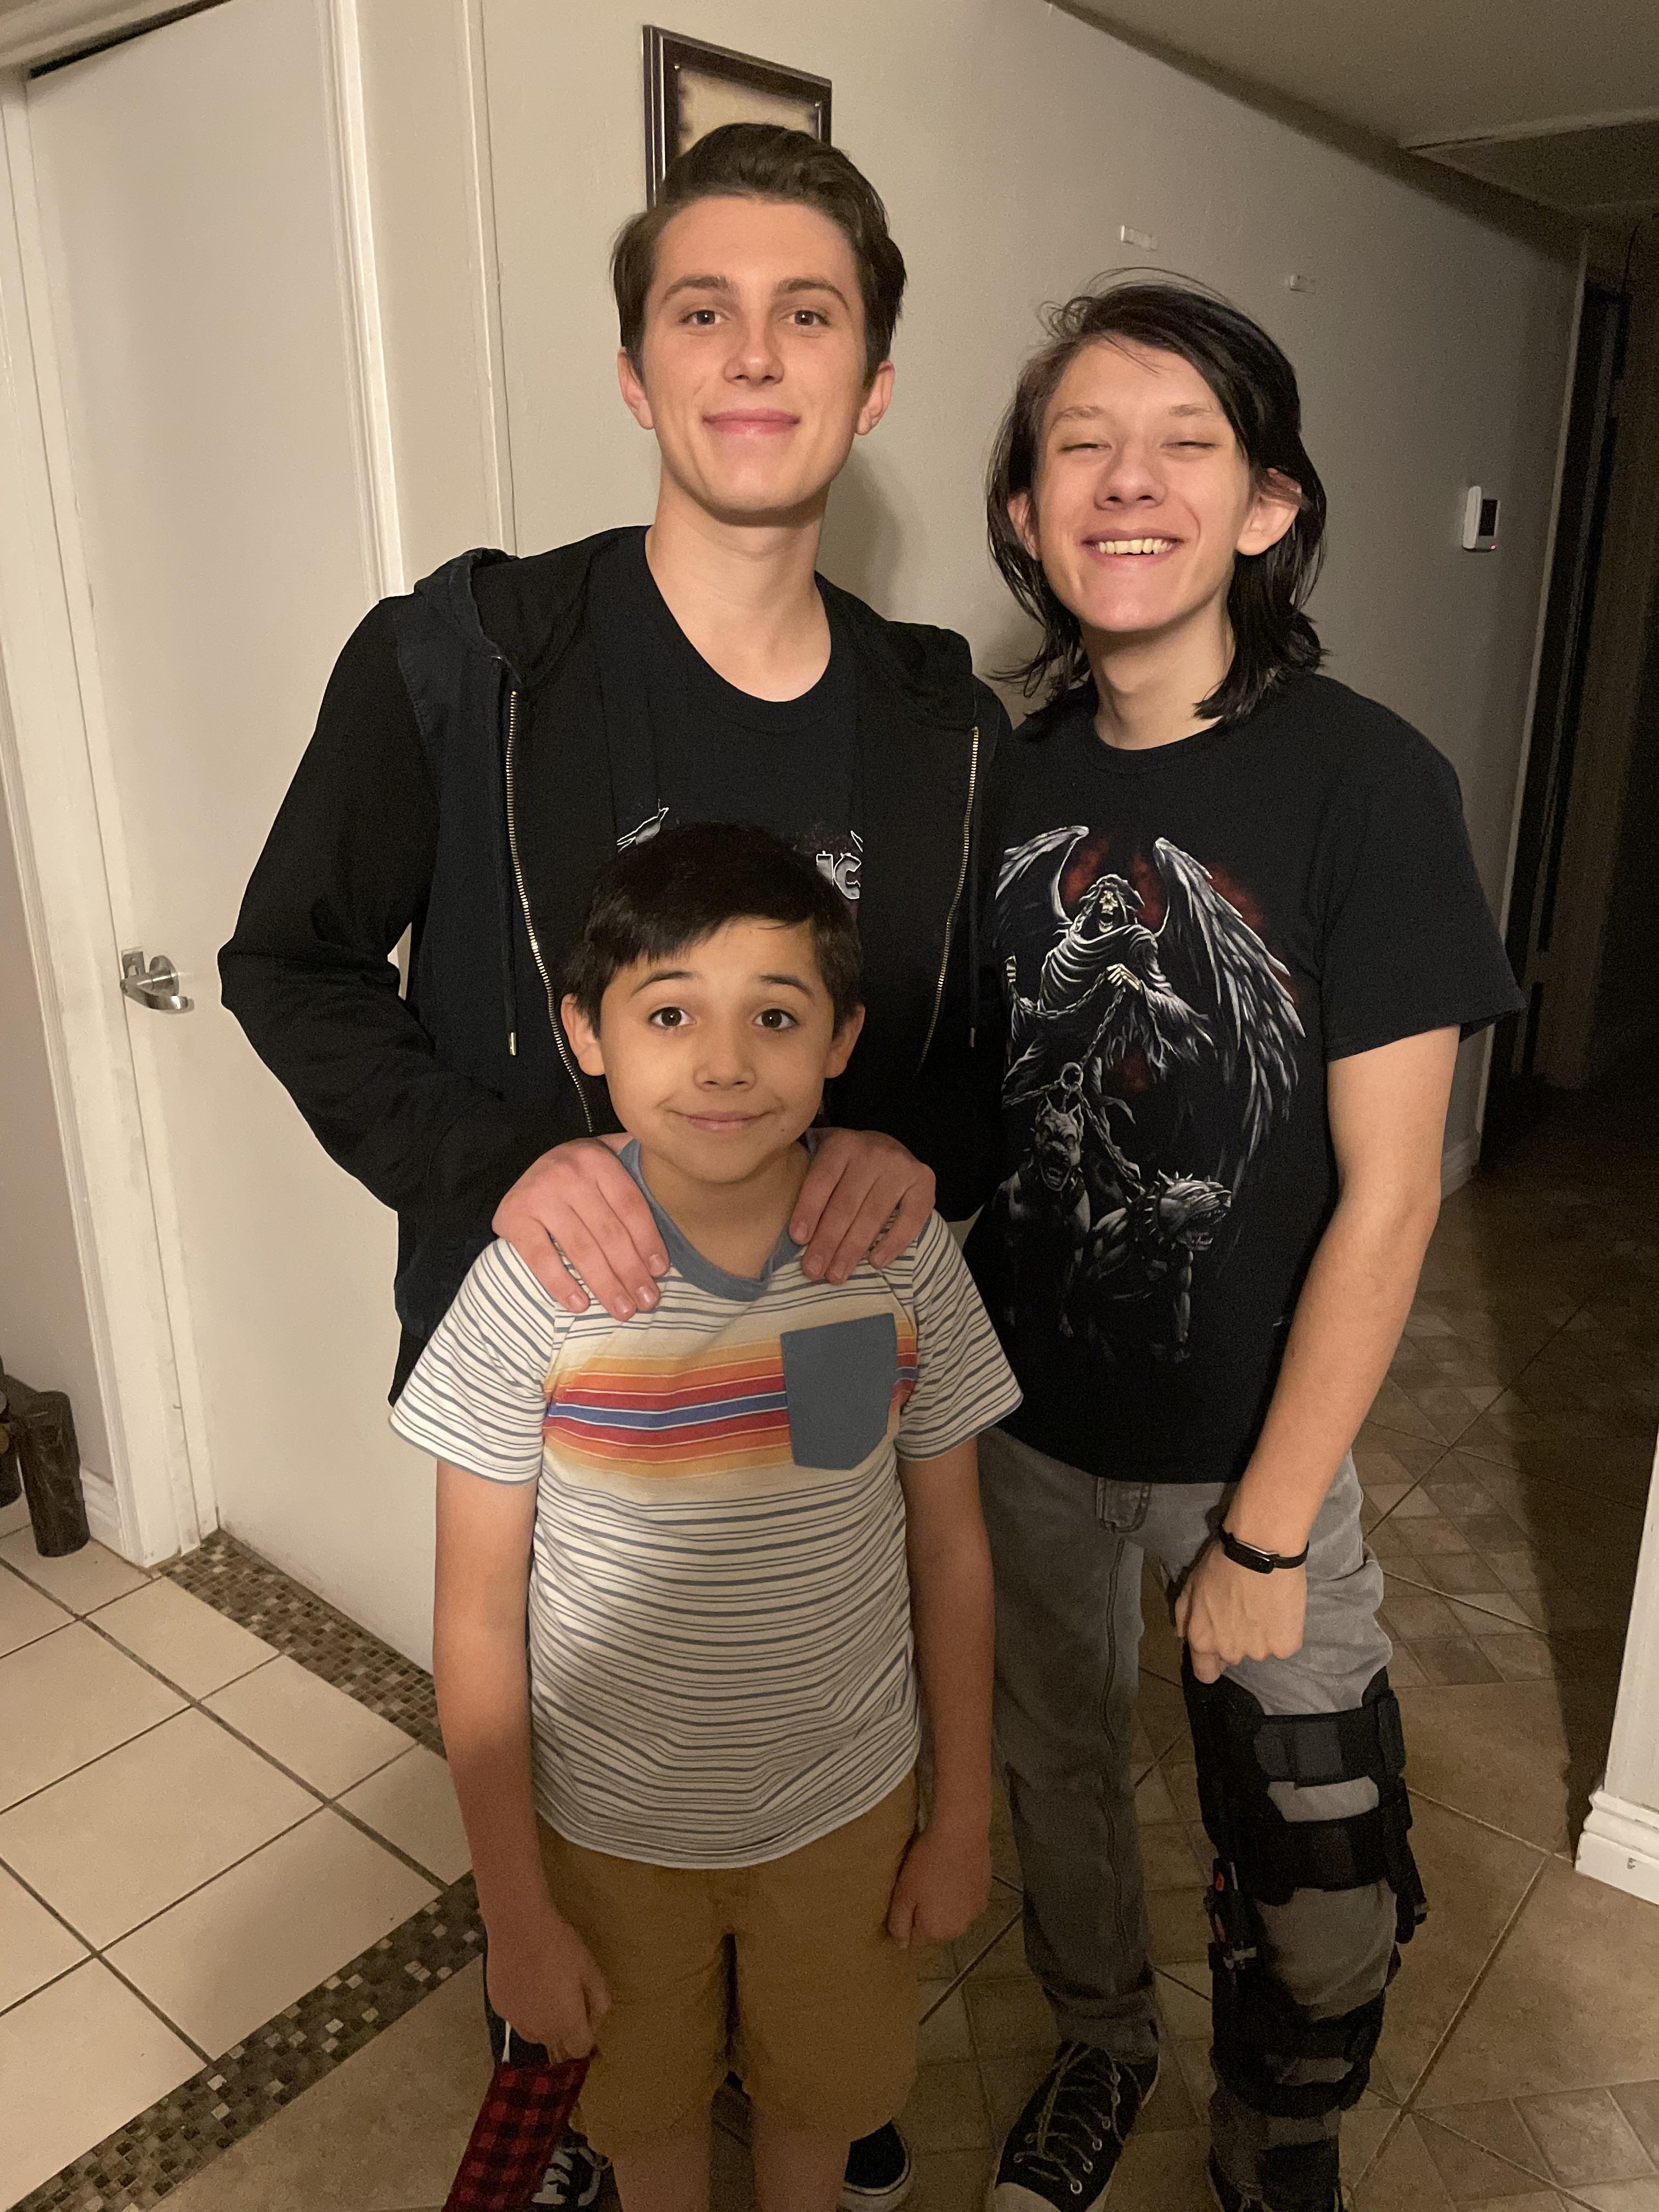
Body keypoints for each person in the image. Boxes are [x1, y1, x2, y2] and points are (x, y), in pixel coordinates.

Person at [220, 121, 1008, 2209]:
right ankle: (610, 2074)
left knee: (810, 1655)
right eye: (702, 312)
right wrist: (500, 1163)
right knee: (594, 1749)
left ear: (872, 380)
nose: (755, 355)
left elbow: (973, 1052)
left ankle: (813, 2066)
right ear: (639, 372)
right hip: (563, 1381)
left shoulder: (939, 725)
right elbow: (284, 962)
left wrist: (915, 1154)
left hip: (830, 1353)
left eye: (806, 314)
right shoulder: (466, 663)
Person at [962, 279, 1524, 2212]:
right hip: (1024, 1430)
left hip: (1251, 1449)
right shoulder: (996, 779)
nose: (1126, 484)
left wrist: (1268, 1527)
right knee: (1053, 1783)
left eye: (1181, 442)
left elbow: (1393, 1186)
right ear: (1024, 515)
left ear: (1266, 505)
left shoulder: (1365, 781)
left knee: (1317, 1835)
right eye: (1076, 449)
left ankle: (1281, 2105)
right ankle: (1103, 2047)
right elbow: (936, 1130)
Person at [391, 823, 1020, 2212]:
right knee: (645, 2119)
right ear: (588, 1033)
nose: (725, 1063)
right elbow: (478, 1613)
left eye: (775, 1016)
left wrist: (960, 1815)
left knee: (822, 2106)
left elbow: (950, 1546)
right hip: (605, 1832)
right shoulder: (528, 1290)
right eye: (671, 1014)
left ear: (841, 1038)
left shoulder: (895, 1255)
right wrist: (514, 1910)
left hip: (846, 1814)